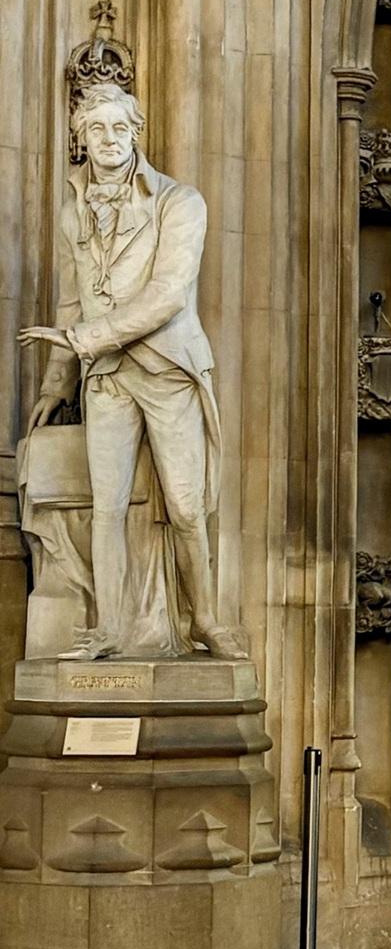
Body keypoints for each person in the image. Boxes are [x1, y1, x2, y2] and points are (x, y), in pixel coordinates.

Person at [18, 80, 244, 660]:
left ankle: (207, 622)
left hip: (169, 369)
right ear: (80, 140)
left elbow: (168, 295)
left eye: (119, 128)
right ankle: (110, 629)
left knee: (187, 505)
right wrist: (57, 379)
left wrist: (83, 338)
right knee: (107, 505)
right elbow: (73, 299)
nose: (109, 139)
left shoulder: (179, 201)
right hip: (106, 377)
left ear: (136, 133)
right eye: (96, 129)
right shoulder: (73, 212)